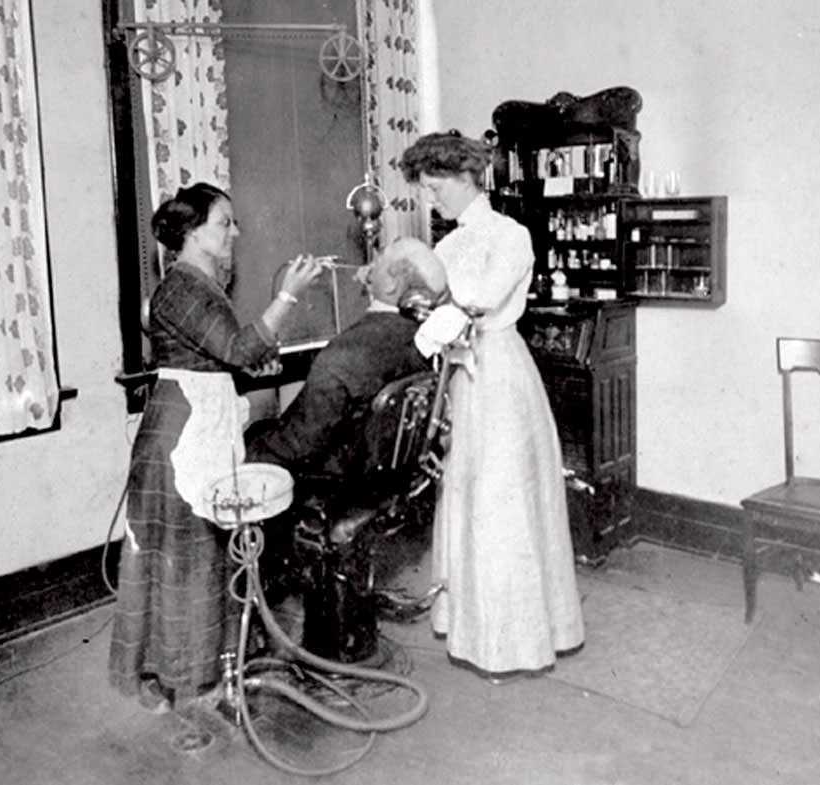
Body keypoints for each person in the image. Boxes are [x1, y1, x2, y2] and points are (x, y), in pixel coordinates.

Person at [107, 182, 323, 717]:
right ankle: (182, 685)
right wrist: (288, 294)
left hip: (201, 421)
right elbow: (239, 346)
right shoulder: (182, 288)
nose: (234, 231)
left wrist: (251, 363)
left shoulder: (199, 283)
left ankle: (202, 672)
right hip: (182, 437)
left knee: (202, 557)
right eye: (224, 222)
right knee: (184, 561)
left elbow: (226, 354)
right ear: (192, 232)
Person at [399, 131, 585, 683]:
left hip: (500, 375)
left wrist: (435, 316)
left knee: (504, 500)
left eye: (437, 189)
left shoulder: (512, 235)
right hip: (462, 376)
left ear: (465, 178)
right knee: (470, 493)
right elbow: (427, 296)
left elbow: (477, 300)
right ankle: (475, 634)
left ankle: (516, 643)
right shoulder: (448, 244)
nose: (433, 201)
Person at [245, 236, 446, 492]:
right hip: (384, 473)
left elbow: (300, 445)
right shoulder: (422, 337)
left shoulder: (341, 357)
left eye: (380, 258)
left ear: (393, 283)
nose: (370, 263)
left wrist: (249, 447)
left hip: (337, 478)